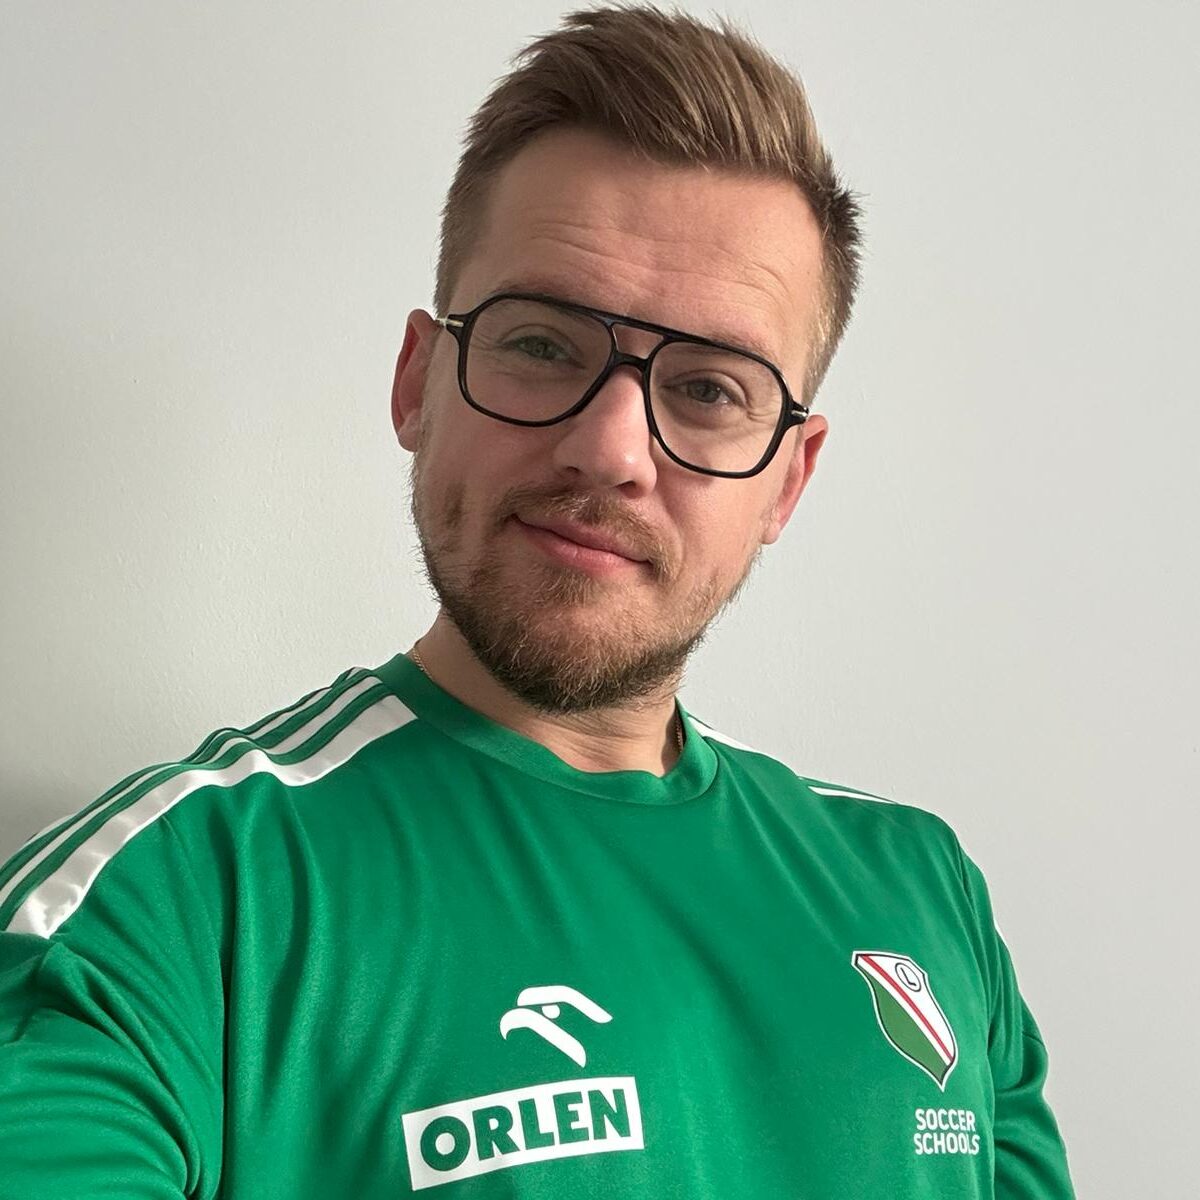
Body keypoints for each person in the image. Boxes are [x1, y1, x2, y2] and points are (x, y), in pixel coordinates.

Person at [0, 5, 1074, 1197]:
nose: (610, 449)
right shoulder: (166, 912)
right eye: (543, 345)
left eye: (710, 389)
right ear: (419, 383)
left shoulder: (924, 895)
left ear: (788, 478)